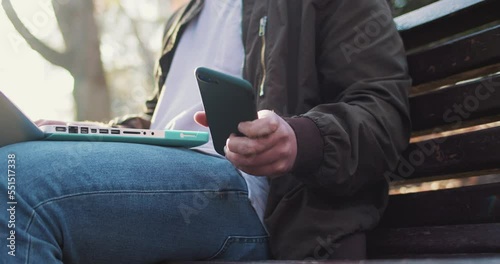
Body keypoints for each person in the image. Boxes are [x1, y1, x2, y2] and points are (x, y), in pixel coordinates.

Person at [0, 0, 411, 262]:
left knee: (16, 181)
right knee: (19, 166)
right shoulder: (187, 14)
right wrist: (84, 134)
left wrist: (300, 139)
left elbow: (383, 113)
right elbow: (164, 122)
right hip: (168, 176)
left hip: (248, 200)